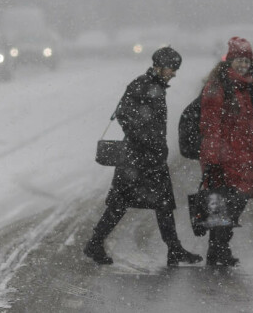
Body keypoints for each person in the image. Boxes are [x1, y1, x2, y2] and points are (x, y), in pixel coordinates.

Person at [84, 46, 202, 266]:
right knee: (121, 204)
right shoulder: (142, 85)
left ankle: (173, 248)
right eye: (171, 68)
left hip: (150, 157)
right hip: (136, 158)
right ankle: (95, 242)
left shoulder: (155, 86)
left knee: (163, 204)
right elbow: (123, 115)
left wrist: (153, 144)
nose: (174, 73)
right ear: (158, 65)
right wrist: (145, 138)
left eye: (176, 69)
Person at [199, 36, 253, 266]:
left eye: (247, 61)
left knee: (234, 204)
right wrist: (213, 156)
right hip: (221, 158)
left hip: (241, 157)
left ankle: (218, 250)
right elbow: (210, 124)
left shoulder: (247, 87)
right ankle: (218, 251)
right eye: (239, 60)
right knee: (223, 207)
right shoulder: (217, 86)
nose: (243, 65)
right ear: (229, 60)